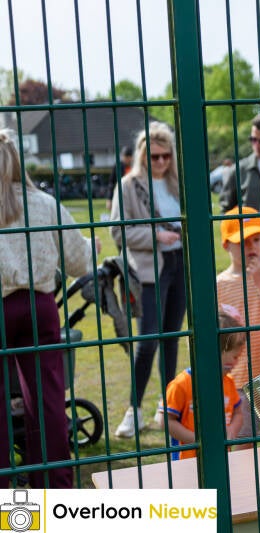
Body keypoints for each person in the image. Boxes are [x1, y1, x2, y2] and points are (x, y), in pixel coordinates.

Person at [0, 129, 97, 487]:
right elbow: (79, 261)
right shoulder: (44, 204)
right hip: (39, 307)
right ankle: (55, 488)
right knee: (48, 400)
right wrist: (92, 246)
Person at [111, 122, 187, 439]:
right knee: (148, 340)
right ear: (143, 155)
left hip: (179, 264)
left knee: (172, 338)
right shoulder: (129, 186)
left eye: (165, 156)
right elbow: (120, 231)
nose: (160, 162)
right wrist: (157, 235)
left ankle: (167, 406)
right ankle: (134, 410)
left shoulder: (176, 183)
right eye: (154, 157)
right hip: (147, 269)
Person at [217, 206, 260, 441]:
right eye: (243, 242)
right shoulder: (219, 284)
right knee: (243, 443)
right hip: (236, 380)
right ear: (226, 245)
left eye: (256, 240)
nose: (252, 247)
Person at [160, 306, 244, 460]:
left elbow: (238, 412)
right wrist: (198, 441)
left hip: (220, 457)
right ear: (211, 352)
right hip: (186, 462)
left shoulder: (228, 382)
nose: (237, 362)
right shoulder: (181, 385)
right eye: (234, 357)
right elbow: (166, 421)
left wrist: (232, 430)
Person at [106, 145, 133, 210]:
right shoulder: (117, 166)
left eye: (129, 157)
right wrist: (109, 199)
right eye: (125, 157)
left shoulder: (136, 167)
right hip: (120, 195)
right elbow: (111, 183)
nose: (127, 159)